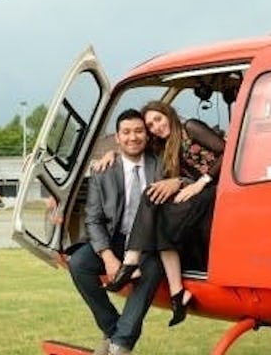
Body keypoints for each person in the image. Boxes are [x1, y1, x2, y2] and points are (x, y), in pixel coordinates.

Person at [101, 100, 224, 327]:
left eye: (158, 119)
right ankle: (178, 295)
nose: (156, 127)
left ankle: (130, 261)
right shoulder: (164, 147)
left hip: (219, 189)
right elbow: (132, 148)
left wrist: (201, 183)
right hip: (196, 195)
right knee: (156, 207)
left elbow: (228, 150)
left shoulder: (190, 127)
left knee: (155, 205)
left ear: (168, 114)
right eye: (151, 125)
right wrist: (112, 154)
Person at [66, 108, 177, 355]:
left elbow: (189, 177)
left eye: (139, 131)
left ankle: (120, 345)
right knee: (79, 264)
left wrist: (178, 181)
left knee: (152, 269)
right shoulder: (103, 171)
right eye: (126, 132)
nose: (133, 137)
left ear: (147, 136)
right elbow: (93, 219)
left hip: (150, 241)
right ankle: (113, 327)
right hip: (115, 238)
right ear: (117, 138)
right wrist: (108, 257)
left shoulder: (161, 164)